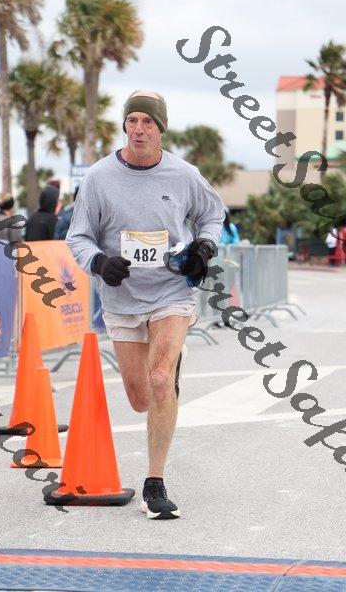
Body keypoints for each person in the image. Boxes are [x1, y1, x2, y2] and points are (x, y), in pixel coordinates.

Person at [66, 90, 225, 520]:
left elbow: (213, 215)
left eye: (148, 122)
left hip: (172, 291)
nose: (139, 129)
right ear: (124, 125)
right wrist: (99, 262)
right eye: (132, 120)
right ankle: (165, 373)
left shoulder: (184, 174)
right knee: (140, 399)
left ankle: (155, 483)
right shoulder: (99, 177)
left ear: (160, 129)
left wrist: (204, 247)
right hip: (121, 298)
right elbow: (78, 236)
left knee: (158, 379)